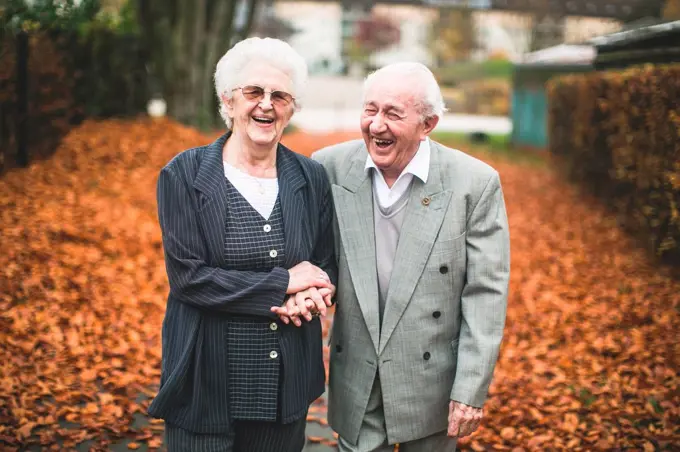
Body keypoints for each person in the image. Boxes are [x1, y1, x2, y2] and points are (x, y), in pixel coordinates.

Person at [148, 37, 337, 452]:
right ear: (228, 101)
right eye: (253, 92)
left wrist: (311, 295)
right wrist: (284, 283)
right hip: (205, 377)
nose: (266, 104)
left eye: (280, 95)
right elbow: (190, 279)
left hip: (285, 381)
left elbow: (326, 263)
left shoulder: (310, 177)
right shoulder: (183, 174)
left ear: (292, 107)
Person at [312, 62, 510, 451]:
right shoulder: (328, 167)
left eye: (393, 114)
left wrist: (470, 388)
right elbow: (314, 255)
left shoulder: (474, 182)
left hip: (431, 377)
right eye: (370, 109)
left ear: (428, 125)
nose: (376, 125)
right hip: (357, 373)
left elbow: (486, 293)